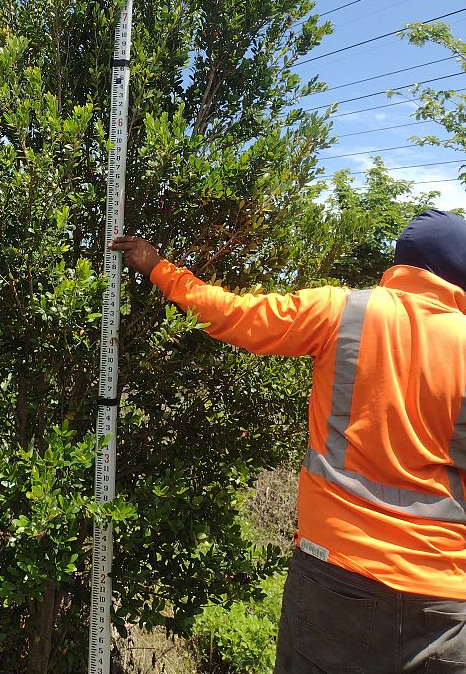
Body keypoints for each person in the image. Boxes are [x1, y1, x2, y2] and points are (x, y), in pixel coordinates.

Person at [110, 208, 466, 674]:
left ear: (402, 262)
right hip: (444, 597)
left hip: (336, 573)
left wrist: (160, 268)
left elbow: (233, 315)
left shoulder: (342, 310)